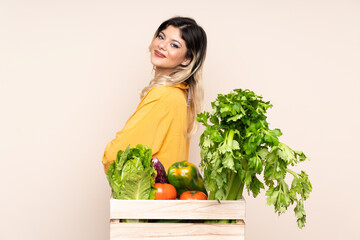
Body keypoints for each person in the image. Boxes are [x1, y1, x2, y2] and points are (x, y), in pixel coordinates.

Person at [102, 16, 207, 173]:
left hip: (151, 195)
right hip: (167, 194)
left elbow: (113, 156)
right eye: (161, 37)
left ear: (186, 59)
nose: (162, 45)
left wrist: (108, 155)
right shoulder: (181, 94)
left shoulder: (163, 96)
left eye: (174, 45)